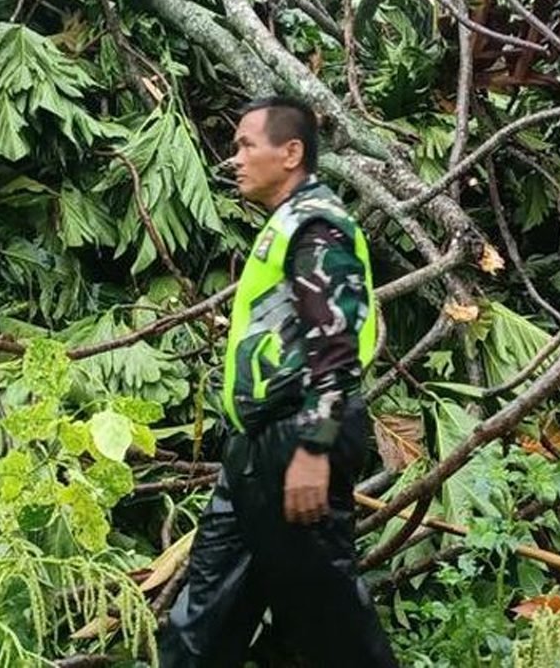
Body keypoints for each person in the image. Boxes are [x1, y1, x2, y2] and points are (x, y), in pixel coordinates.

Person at [158, 96, 398, 667]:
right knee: (204, 617)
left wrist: (314, 449)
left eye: (246, 145)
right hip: (254, 451)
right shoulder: (286, 225)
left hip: (296, 440)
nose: (233, 158)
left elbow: (336, 344)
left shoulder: (318, 227)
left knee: (329, 619)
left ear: (290, 153)